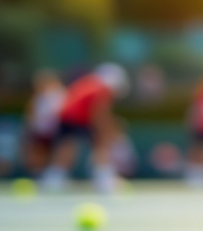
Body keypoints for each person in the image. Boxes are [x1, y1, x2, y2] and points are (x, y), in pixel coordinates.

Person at [41, 63, 129, 193]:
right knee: (99, 145)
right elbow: (99, 113)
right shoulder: (101, 89)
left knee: (67, 147)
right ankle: (104, 180)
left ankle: (53, 179)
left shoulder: (90, 83)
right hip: (76, 118)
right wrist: (105, 132)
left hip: (68, 117)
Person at [23, 69, 65, 176]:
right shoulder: (37, 98)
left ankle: (54, 175)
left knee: (58, 153)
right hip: (40, 131)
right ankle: (38, 174)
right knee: (38, 154)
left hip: (56, 131)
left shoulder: (59, 94)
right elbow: (30, 115)